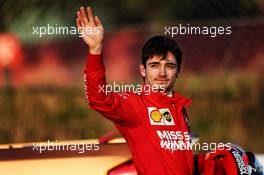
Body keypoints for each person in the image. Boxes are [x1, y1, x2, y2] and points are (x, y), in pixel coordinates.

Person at [77, 6, 194, 175]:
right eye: (154, 66)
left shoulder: (179, 107)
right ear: (142, 70)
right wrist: (95, 50)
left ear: (179, 71)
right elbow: (98, 99)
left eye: (169, 66)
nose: (162, 73)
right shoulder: (136, 105)